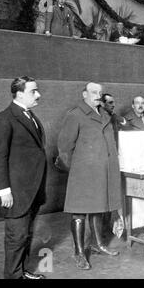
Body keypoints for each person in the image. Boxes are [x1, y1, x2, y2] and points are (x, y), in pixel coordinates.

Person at [57, 82, 121, 270]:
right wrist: (76, 170)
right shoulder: (75, 114)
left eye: (100, 93)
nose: (98, 95)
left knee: (98, 208)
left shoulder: (105, 115)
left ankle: (98, 244)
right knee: (79, 212)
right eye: (94, 92)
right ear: (84, 94)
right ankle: (78, 252)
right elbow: (64, 147)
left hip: (103, 171)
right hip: (82, 173)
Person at [0, 76, 46, 279]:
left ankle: (22, 272)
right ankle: (13, 276)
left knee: (26, 235)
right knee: (17, 237)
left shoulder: (28, 115)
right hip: (16, 191)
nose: (38, 94)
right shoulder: (4, 118)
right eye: (34, 91)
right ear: (20, 93)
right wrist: (3, 190)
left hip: (31, 190)